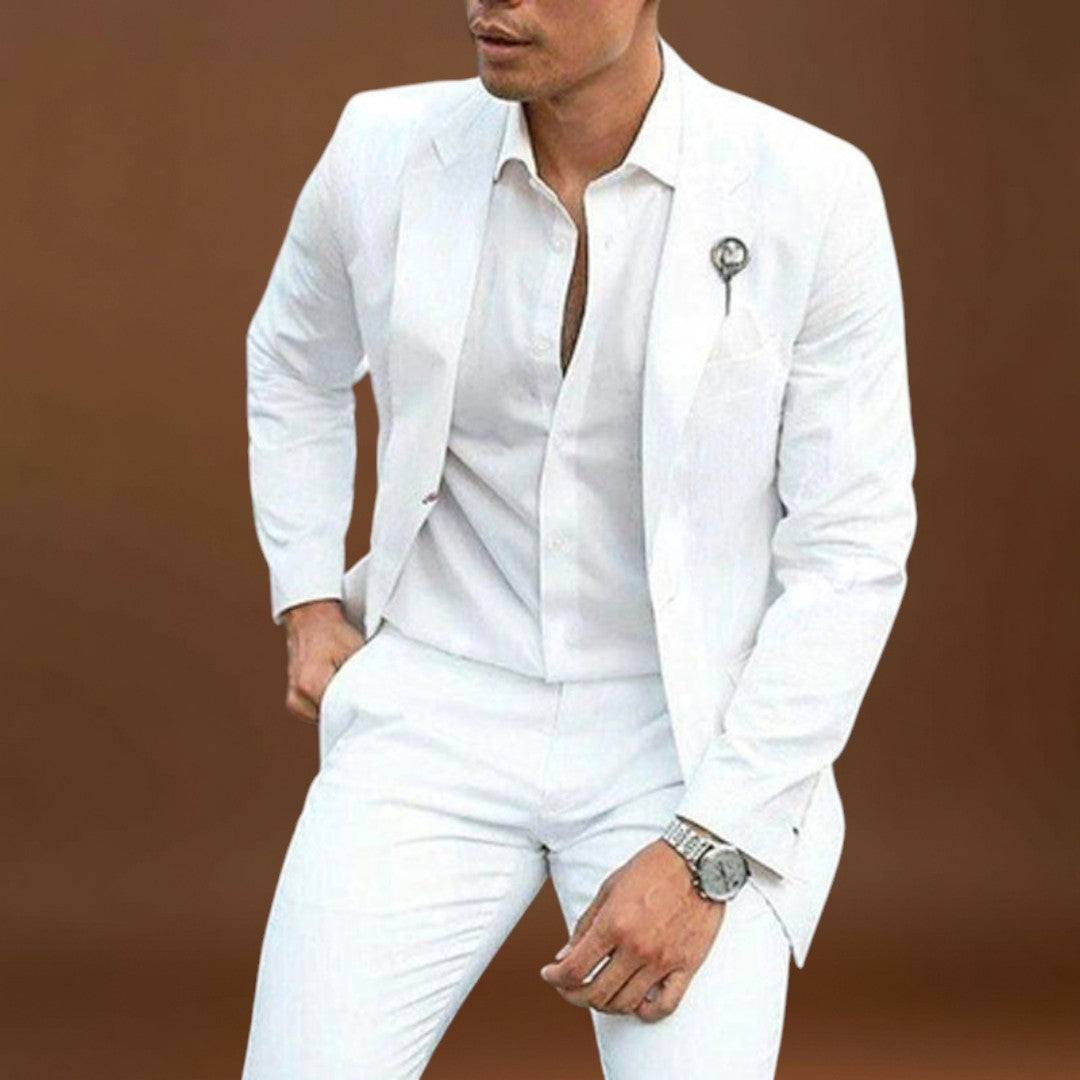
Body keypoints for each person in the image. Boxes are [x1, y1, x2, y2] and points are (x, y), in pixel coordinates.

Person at [240, 1, 917, 1077]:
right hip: (433, 705)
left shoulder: (809, 190)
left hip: (686, 738)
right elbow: (292, 358)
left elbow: (852, 545)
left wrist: (712, 845)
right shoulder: (383, 147)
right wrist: (309, 595)